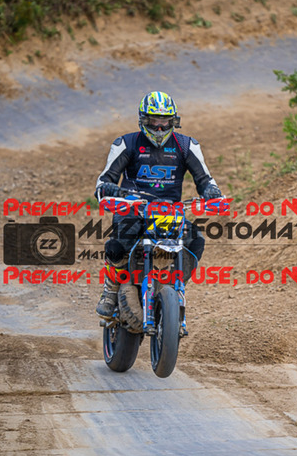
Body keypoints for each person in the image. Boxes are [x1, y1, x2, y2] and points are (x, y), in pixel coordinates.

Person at [95, 91, 222, 320]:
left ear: (174, 121)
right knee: (119, 243)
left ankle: (175, 284)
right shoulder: (126, 143)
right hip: (132, 209)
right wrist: (108, 189)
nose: (160, 127)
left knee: (196, 240)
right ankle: (110, 291)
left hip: (169, 212)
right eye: (154, 121)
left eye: (165, 121)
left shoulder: (186, 145)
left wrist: (212, 192)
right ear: (143, 120)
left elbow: (205, 180)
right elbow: (104, 180)